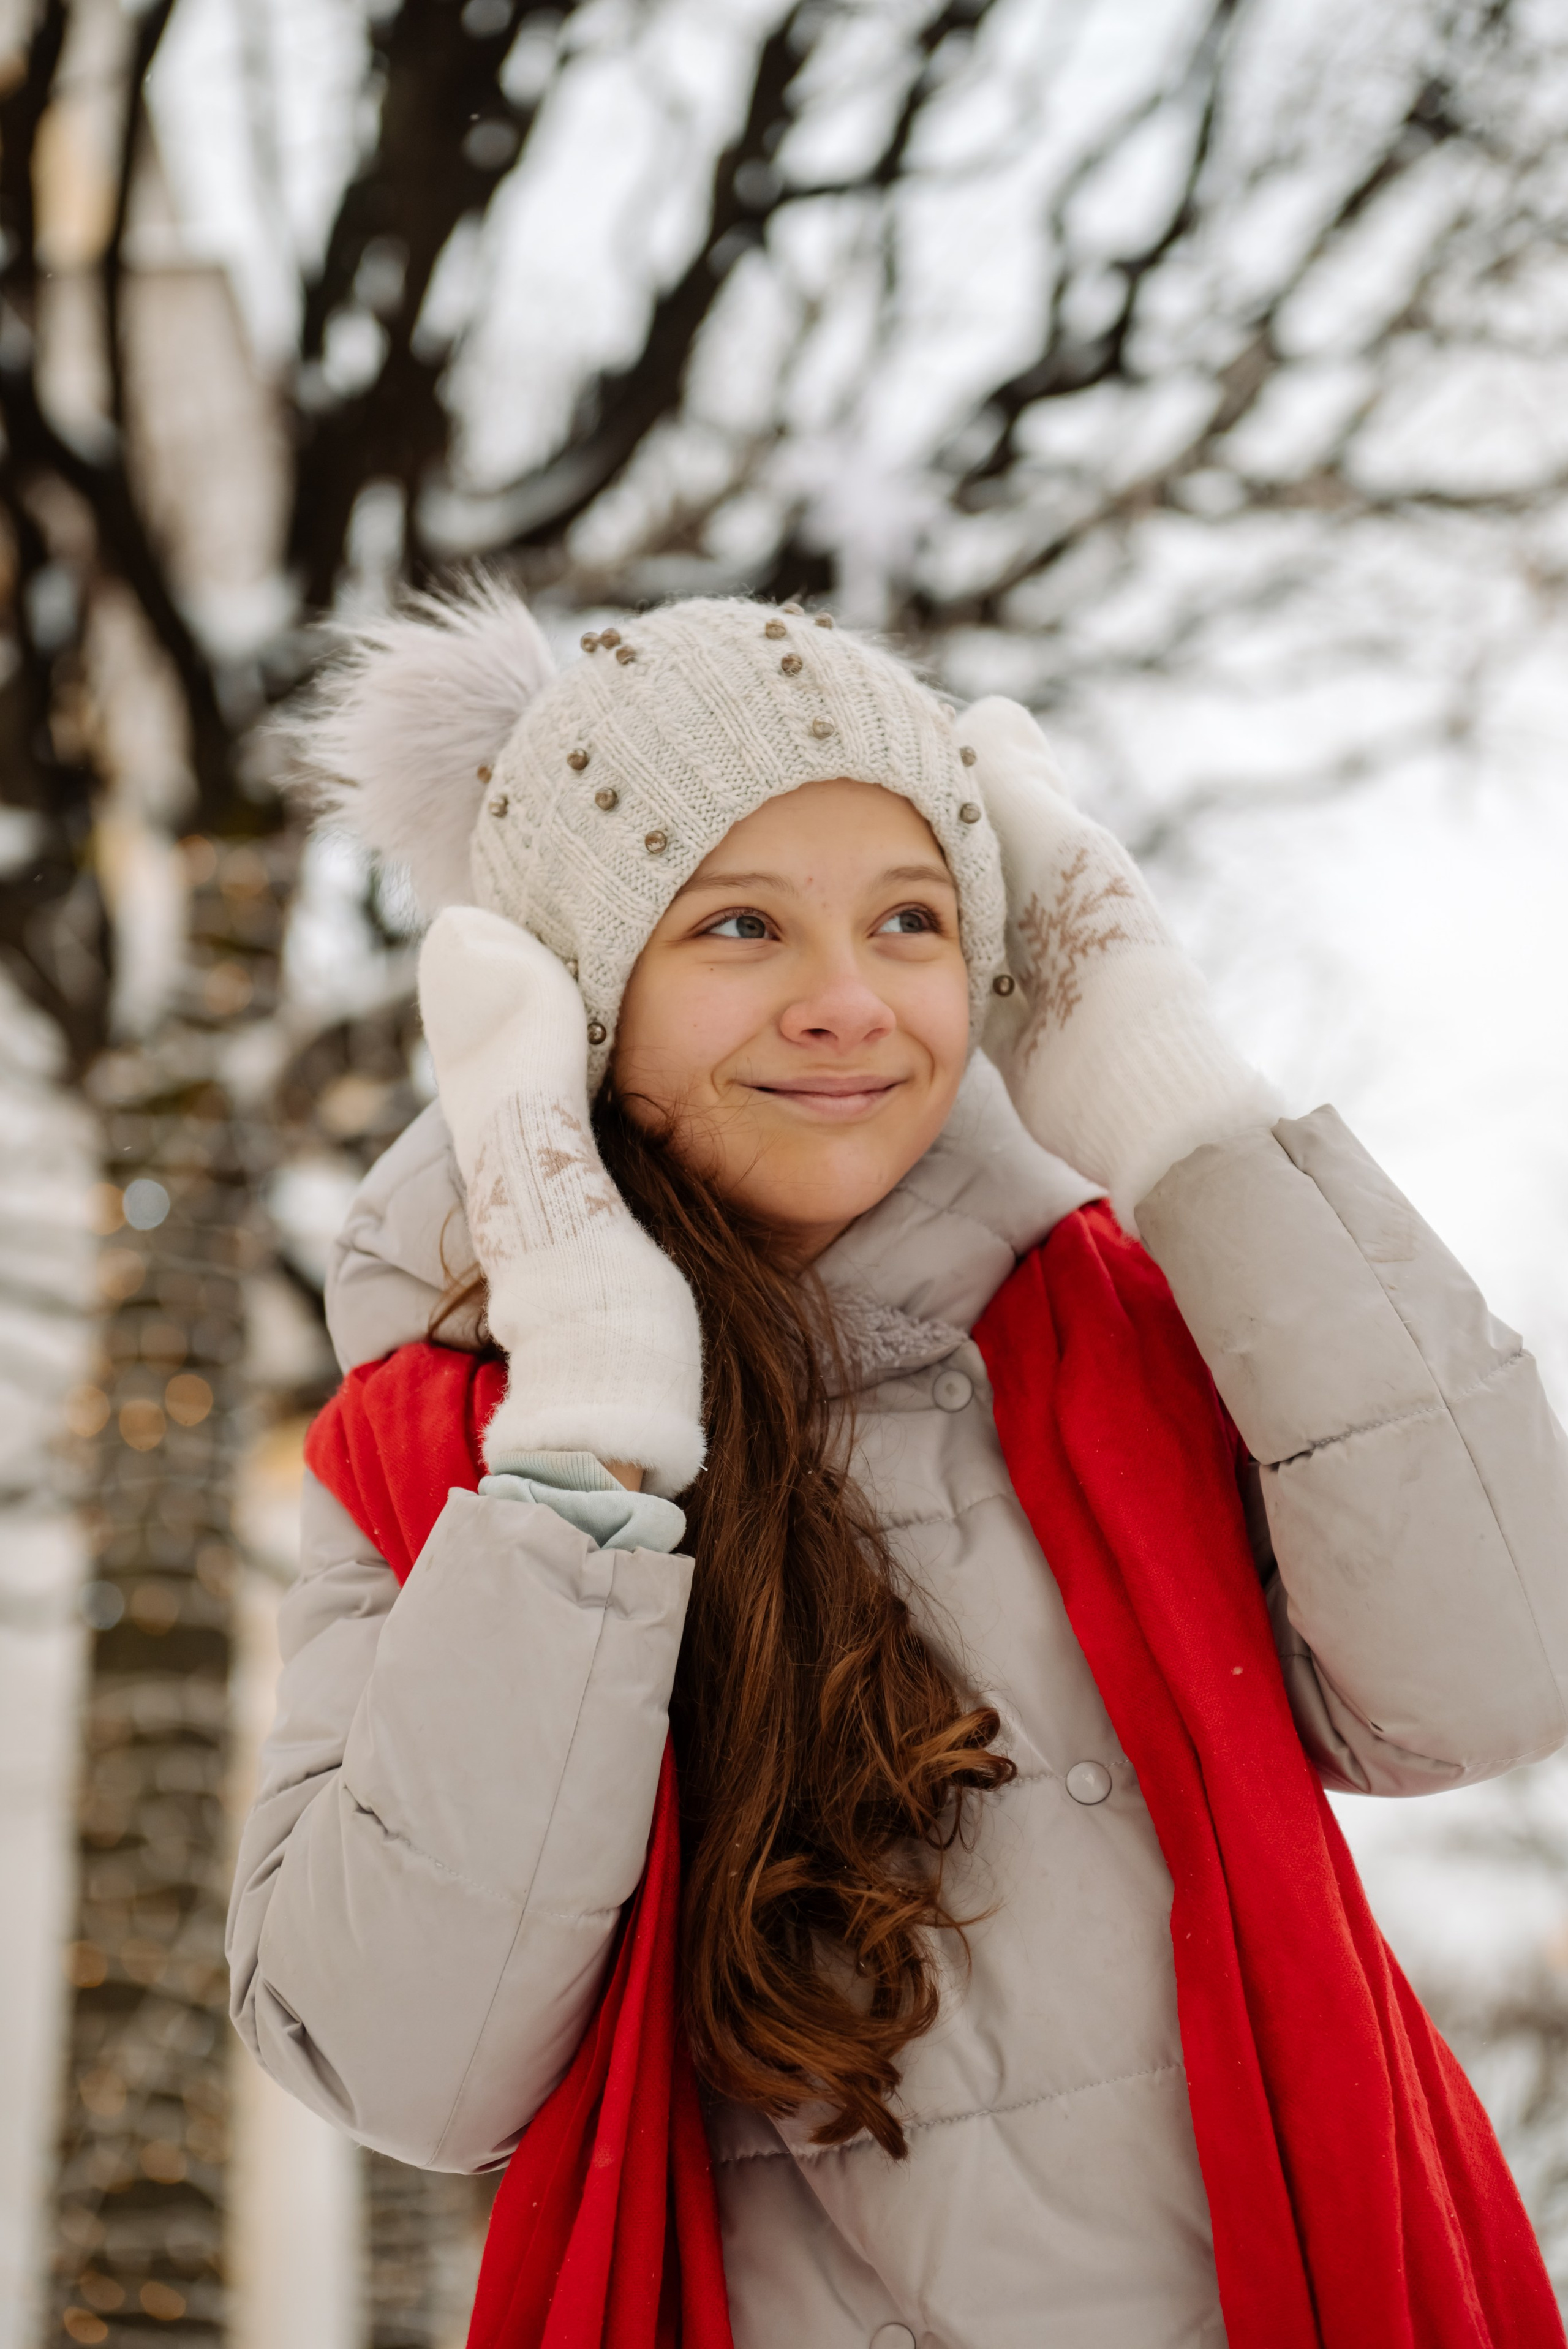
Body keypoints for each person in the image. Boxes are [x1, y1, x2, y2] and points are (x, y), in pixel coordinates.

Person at [227, 589, 1568, 2348]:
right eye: (741, 925)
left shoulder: (1140, 1327)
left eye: (911, 918)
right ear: (581, 1003)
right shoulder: (444, 1458)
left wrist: (1186, 1118)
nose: (848, 1001)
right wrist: (592, 1421)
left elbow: (1493, 1679)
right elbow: (405, 2056)